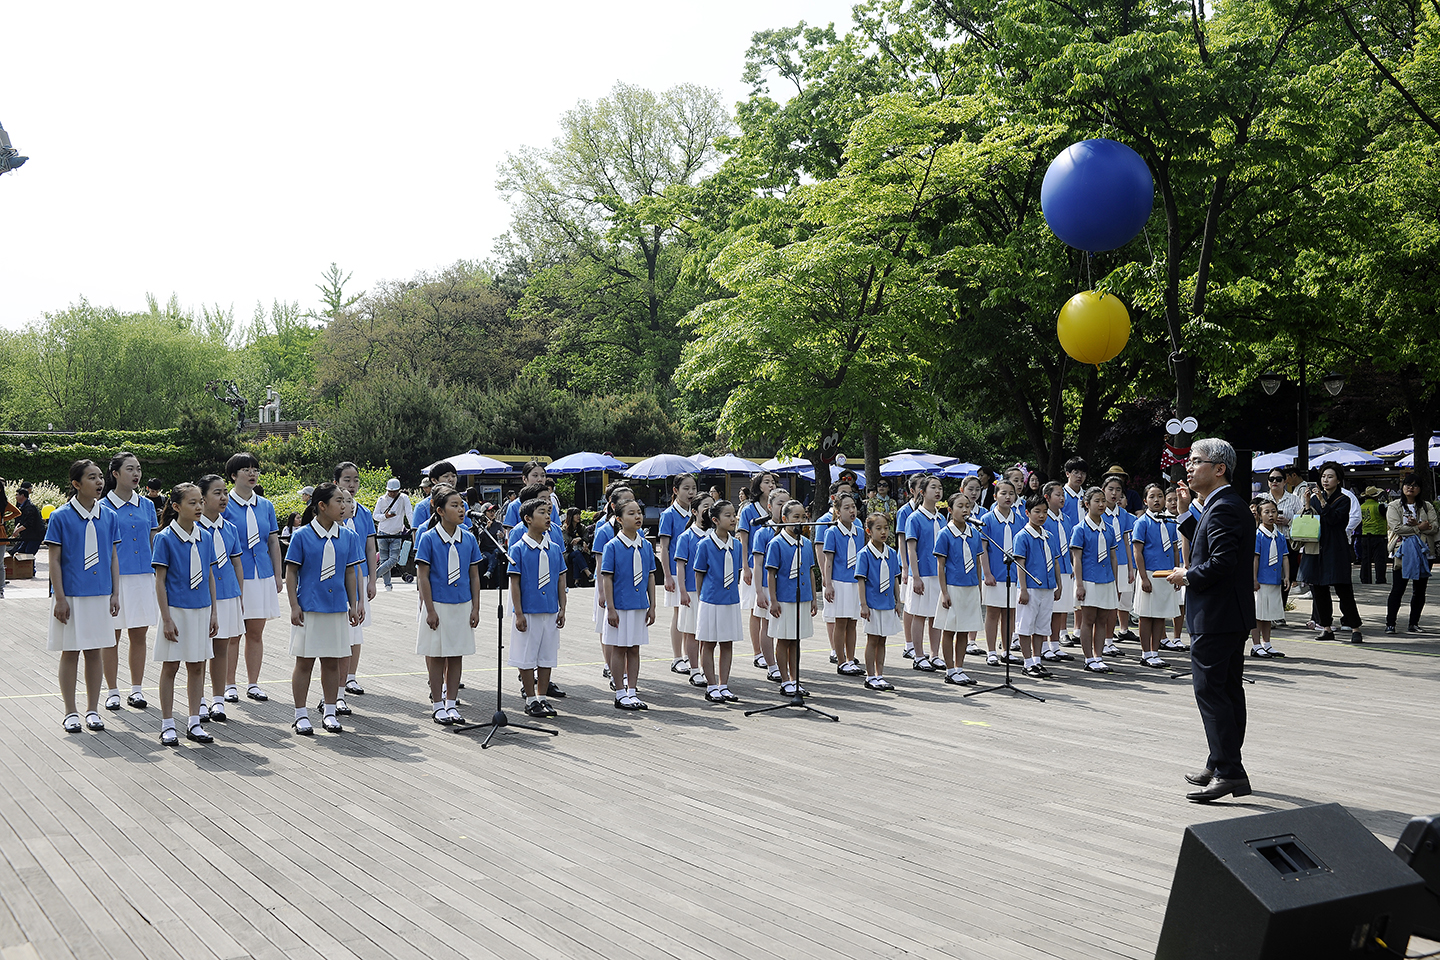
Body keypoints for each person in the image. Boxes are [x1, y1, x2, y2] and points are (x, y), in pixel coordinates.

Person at [1166, 438, 1257, 803]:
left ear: (1219, 468)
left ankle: (1230, 771)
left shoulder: (1224, 508)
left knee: (1212, 691)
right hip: (1228, 614)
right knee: (1227, 690)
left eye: (1196, 461)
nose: (1188, 466)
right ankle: (1219, 760)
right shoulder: (1223, 505)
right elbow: (1204, 537)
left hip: (1217, 616)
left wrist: (1187, 576)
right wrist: (1187, 511)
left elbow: (1219, 562)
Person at [45, 460, 122, 734]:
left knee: (95, 652)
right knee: (71, 652)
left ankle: (92, 709)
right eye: (92, 477)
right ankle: (70, 712)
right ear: (77, 484)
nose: (99, 482)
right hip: (72, 595)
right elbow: (54, 561)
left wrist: (115, 593)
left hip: (100, 594)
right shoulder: (61, 516)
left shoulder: (109, 516)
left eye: (100, 477)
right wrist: (60, 597)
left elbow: (113, 556)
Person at [284, 482, 362, 735]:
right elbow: (291, 572)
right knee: (304, 662)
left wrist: (354, 604)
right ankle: (300, 714)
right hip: (309, 607)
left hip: (336, 607)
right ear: (321, 506)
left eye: (345, 501)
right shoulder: (302, 535)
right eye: (338, 501)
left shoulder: (348, 536)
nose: (344, 506)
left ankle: (330, 711)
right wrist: (294, 605)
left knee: (332, 662)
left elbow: (350, 572)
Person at [151, 483, 219, 746]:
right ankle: (168, 724)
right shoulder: (165, 538)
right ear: (177, 507)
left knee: (197, 666)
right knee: (171, 666)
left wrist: (213, 612)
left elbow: (210, 576)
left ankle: (194, 722)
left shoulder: (206, 537)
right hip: (176, 611)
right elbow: (160, 581)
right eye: (192, 502)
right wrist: (166, 618)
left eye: (201, 501)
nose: (199, 506)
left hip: (201, 610)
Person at [98, 452, 161, 711]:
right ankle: (112, 691)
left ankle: (136, 690)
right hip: (114, 580)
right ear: (115, 474)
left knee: (139, 635)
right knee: (111, 636)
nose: (136, 474)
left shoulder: (147, 505)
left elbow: (154, 542)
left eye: (138, 469)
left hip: (144, 577)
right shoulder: (102, 507)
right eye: (130, 469)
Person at [416, 485, 482, 726]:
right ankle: (437, 705)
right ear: (440, 510)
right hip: (438, 604)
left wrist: (476, 607)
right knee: (436, 655)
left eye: (462, 505)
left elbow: (473, 575)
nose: (461, 509)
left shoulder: (469, 538)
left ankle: (452, 703)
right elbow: (423, 576)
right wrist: (430, 609)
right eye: (454, 505)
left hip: (462, 603)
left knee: (456, 655)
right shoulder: (428, 538)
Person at [222, 452, 283, 705]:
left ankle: (253, 683)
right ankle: (228, 684)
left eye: (255, 469)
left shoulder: (265, 505)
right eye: (246, 469)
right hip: (235, 575)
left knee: (255, 632)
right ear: (233, 475)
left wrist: (278, 575)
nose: (252, 473)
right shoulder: (224, 503)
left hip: (262, 574)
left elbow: (272, 540)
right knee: (233, 633)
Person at [508, 495, 567, 718]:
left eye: (548, 513)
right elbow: (514, 582)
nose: (547, 517)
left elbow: (561, 579)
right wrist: (519, 612)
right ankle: (530, 698)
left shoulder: (553, 548)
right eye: (541, 513)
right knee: (526, 655)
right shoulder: (518, 548)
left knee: (547, 655)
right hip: (529, 611)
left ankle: (542, 697)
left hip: (550, 610)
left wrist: (562, 607)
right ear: (528, 518)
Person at [600, 499, 655, 711]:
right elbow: (607, 578)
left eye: (639, 512)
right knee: (619, 647)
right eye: (631, 513)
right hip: (621, 606)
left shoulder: (646, 545)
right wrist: (611, 608)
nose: (637, 517)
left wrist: (652, 606)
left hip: (639, 604)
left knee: (634, 648)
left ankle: (633, 690)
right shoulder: (612, 546)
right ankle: (620, 692)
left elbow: (650, 577)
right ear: (620, 519)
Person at [196, 475, 243, 723]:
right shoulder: (193, 528)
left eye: (225, 492)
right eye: (217, 493)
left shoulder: (230, 528)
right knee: (202, 650)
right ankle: (199, 700)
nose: (224, 497)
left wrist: (240, 594)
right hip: (202, 598)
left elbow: (237, 563)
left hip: (228, 595)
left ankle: (218, 700)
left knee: (222, 647)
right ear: (202, 498)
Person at [1299, 462, 1363, 643]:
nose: (1325, 480)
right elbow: (1308, 520)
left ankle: (1355, 628)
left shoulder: (1344, 499)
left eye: (1330, 477)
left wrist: (1321, 501)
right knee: (1319, 589)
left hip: (1336, 548)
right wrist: (1306, 503)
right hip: (1316, 548)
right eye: (1323, 477)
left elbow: (1335, 520)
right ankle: (1326, 627)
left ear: (1338, 480)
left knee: (1344, 589)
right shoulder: (1313, 498)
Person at [692, 499, 746, 703]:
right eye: (728, 515)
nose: (733, 519)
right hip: (710, 600)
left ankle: (724, 685)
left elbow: (736, 572)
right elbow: (699, 575)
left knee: (727, 642)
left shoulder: (737, 545)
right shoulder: (705, 544)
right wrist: (702, 599)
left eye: (734, 515)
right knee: (708, 643)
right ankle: (711, 685)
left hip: (730, 600)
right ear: (715, 520)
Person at [763, 500, 816, 701]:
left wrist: (812, 597)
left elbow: (810, 572)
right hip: (784, 599)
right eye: (796, 517)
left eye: (803, 517)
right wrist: (773, 600)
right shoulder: (776, 543)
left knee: (796, 640)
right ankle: (785, 680)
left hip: (802, 598)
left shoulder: (807, 543)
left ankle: (795, 679)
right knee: (783, 639)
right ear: (784, 519)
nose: (800, 521)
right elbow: (771, 574)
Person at [335, 462, 378, 700]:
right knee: (340, 628)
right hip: (336, 579)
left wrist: (372, 579)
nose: (352, 485)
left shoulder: (364, 512)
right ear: (336, 483)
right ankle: (336, 683)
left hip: (358, 575)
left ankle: (351, 676)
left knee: (356, 628)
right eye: (346, 480)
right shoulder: (332, 511)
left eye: (356, 480)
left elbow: (370, 547)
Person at [1131, 483, 1182, 669]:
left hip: (1166, 574)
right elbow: (1137, 552)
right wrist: (1143, 577)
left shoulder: (1170, 522)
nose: (1157, 500)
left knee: (1160, 614)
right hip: (1150, 574)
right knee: (1146, 614)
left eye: (1160, 496)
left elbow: (1176, 549)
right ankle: (1145, 653)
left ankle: (1155, 651)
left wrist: (1176, 571)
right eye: (1152, 496)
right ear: (1145, 500)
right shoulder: (1142, 522)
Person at [934, 493, 982, 685]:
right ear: (950, 510)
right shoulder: (945, 534)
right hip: (953, 587)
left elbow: (977, 563)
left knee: (964, 630)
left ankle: (960, 668)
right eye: (960, 506)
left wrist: (978, 587)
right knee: (949, 629)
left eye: (967, 506)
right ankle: (950, 669)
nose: (964, 510)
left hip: (970, 587)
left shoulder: (975, 533)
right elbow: (940, 565)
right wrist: (944, 592)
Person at [1012, 494, 1060, 678]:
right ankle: (1027, 662)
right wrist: (1023, 589)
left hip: (1047, 587)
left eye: (1045, 512)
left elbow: (1055, 562)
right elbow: (1020, 564)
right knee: (1026, 625)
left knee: (1041, 626)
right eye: (1037, 512)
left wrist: (1059, 585)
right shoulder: (1022, 536)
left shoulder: (1049, 536)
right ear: (1027, 513)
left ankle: (1037, 660)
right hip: (1030, 587)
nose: (1041, 516)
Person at [1071, 487, 1119, 673]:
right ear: (1086, 504)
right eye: (1097, 501)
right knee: (1088, 619)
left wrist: (1114, 582)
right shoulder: (1080, 529)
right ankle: (1088, 658)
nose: (1101, 504)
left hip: (1106, 580)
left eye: (1103, 501)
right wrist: (1080, 584)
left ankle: (1099, 656)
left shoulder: (1108, 528)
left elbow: (1113, 557)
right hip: (1089, 580)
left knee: (1103, 620)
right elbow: (1077, 558)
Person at [979, 478, 1023, 666]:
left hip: (1013, 575)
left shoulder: (1020, 519)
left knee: (1010, 613)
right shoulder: (987, 519)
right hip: (994, 575)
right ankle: (991, 651)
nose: (1007, 497)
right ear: (995, 496)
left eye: (1011, 493)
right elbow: (982, 549)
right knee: (993, 613)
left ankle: (1006, 650)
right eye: (1003, 493)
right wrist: (987, 573)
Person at [904, 475, 946, 671]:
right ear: (922, 492)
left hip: (939, 575)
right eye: (933, 487)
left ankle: (934, 654)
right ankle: (919, 655)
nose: (938, 491)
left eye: (940, 488)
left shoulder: (942, 518)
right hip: (922, 573)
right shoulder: (914, 518)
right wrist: (916, 576)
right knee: (919, 614)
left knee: (936, 616)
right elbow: (911, 549)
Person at [1386, 473, 1436, 634]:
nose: (1410, 487)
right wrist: (1419, 527)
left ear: (1420, 489)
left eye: (1414, 485)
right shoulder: (1394, 506)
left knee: (1420, 590)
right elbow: (1397, 528)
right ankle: (1390, 623)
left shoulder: (1426, 506)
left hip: (1424, 552)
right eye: (1407, 484)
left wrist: (1419, 526)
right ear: (1402, 487)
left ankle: (1414, 623)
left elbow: (1435, 527)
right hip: (1402, 551)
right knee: (1398, 589)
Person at [657, 473, 697, 677]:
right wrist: (667, 575)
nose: (691, 492)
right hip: (675, 571)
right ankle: (677, 658)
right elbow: (663, 547)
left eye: (693, 488)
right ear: (675, 491)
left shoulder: (697, 513)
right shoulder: (668, 515)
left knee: (691, 614)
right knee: (678, 613)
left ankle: (691, 655)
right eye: (686, 488)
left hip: (694, 573)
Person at [821, 492, 864, 677]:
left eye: (853, 507)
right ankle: (841, 661)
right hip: (839, 583)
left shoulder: (860, 532)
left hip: (854, 583)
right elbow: (828, 561)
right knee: (840, 623)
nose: (851, 511)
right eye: (846, 508)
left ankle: (851, 658)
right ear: (837, 512)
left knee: (852, 623)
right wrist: (828, 584)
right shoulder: (832, 531)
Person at [856, 513, 901, 690]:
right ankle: (870, 676)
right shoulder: (864, 554)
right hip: (873, 604)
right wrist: (863, 604)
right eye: (878, 528)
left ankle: (880, 674)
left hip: (888, 603)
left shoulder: (891, 553)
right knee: (872, 640)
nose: (883, 532)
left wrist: (898, 601)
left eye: (886, 528)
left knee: (883, 640)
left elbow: (895, 578)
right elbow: (861, 580)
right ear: (869, 531)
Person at [748, 489, 788, 684]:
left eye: (787, 504)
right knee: (766, 624)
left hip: (786, 587)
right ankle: (771, 666)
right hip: (766, 585)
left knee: (784, 627)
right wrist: (758, 592)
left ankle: (785, 666)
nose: (783, 508)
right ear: (770, 507)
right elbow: (757, 564)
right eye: (780, 504)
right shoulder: (763, 532)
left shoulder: (793, 531)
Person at [673, 495, 712, 691]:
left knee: (707, 633)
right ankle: (694, 670)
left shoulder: (716, 536)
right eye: (705, 507)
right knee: (691, 632)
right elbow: (680, 566)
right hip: (691, 591)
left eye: (712, 507)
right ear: (694, 511)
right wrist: (682, 591)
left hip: (711, 593)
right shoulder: (686, 537)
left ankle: (706, 668)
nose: (709, 510)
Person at [738, 471, 776, 672]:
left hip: (773, 566)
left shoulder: (779, 508)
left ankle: (770, 652)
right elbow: (744, 541)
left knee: (769, 609)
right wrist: (745, 567)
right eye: (767, 482)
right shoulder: (748, 510)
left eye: (773, 482)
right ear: (758, 486)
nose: (771, 485)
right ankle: (757, 653)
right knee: (756, 609)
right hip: (754, 564)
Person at [1040, 481, 1077, 664]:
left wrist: (1070, 566)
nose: (1062, 498)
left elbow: (1070, 545)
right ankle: (1044, 646)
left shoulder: (1067, 519)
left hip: (1065, 568)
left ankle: (1055, 645)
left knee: (1060, 610)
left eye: (1063, 494)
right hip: (1049, 569)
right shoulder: (1043, 519)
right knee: (1048, 609)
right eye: (1058, 495)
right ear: (1047, 497)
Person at [1101, 470, 1138, 651]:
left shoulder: (1124, 515)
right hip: (1105, 563)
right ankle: (1106, 640)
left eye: (1118, 490)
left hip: (1123, 562)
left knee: (1120, 601)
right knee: (1108, 601)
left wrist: (1131, 568)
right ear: (1103, 490)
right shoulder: (1098, 513)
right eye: (1110, 489)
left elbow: (1127, 542)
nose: (1114, 493)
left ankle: (1111, 639)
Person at [1251, 498, 1290, 657]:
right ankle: (1255, 645)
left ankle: (1267, 643)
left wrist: (1287, 576)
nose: (1271, 515)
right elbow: (1255, 558)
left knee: (1269, 615)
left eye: (1273, 511)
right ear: (1260, 515)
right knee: (1257, 614)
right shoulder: (1258, 535)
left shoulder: (1279, 536)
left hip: (1274, 580)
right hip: (1261, 580)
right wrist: (1253, 578)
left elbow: (1285, 557)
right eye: (1266, 512)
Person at [373, 478, 412, 591]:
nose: (392, 493)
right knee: (385, 560)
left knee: (394, 559)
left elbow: (409, 513)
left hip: (396, 533)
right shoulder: (381, 499)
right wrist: (385, 516)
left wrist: (413, 527)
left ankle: (374, 575)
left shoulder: (404, 498)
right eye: (390, 491)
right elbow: (375, 516)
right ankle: (388, 584)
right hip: (383, 532)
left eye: (395, 491)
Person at [411, 462, 457, 543]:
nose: (451, 479)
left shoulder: (463, 505)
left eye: (453, 476)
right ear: (434, 480)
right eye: (446, 476)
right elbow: (416, 536)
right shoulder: (421, 507)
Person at [502, 460, 549, 530]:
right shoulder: (514, 506)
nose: (540, 479)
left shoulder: (550, 505)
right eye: (535, 475)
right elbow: (510, 534)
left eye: (543, 476)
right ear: (524, 479)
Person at [1358, 486, 1388, 585]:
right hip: (1378, 535)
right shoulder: (1379, 506)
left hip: (1365, 535)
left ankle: (1364, 578)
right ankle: (1380, 579)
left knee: (1365, 559)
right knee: (1379, 559)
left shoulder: (1361, 507)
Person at [11, 482, 43, 555]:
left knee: (28, 555)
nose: (16, 496)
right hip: (27, 535)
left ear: (22, 496)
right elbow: (21, 520)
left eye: (17, 495)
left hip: (35, 535)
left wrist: (17, 530)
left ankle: (30, 567)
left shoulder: (29, 507)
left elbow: (28, 523)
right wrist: (17, 528)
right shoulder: (22, 506)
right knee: (19, 552)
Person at [562, 507, 591, 587]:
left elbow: (586, 538)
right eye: (576, 514)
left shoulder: (582, 527)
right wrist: (581, 541)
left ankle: (576, 581)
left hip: (581, 552)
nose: (578, 516)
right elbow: (568, 541)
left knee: (576, 558)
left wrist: (581, 540)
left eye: (579, 514)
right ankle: (588, 573)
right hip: (568, 553)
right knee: (576, 554)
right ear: (571, 516)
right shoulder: (564, 528)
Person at [864, 478, 898, 544]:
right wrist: (885, 515)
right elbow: (870, 516)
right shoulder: (872, 501)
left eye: (884, 485)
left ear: (888, 488)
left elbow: (893, 515)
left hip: (890, 535)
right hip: (876, 534)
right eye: (879, 485)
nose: (881, 487)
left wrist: (879, 514)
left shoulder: (892, 502)